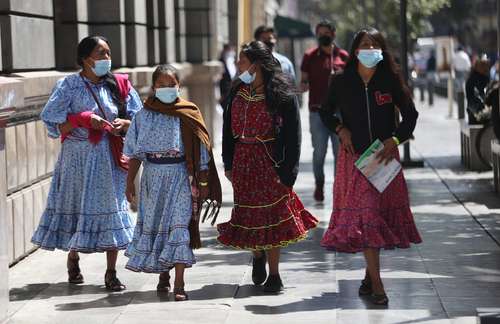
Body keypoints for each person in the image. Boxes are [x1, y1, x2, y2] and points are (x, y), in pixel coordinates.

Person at [31, 35, 143, 291]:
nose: (106, 59)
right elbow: (52, 121)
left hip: (109, 158)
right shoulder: (68, 85)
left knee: (113, 210)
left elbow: (140, 119)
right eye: (100, 53)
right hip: (77, 159)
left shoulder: (119, 85)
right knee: (78, 209)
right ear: (85, 59)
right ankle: (73, 258)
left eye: (108, 53)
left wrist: (125, 124)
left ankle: (111, 272)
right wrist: (81, 119)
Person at [319, 27, 422, 305]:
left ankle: (368, 274)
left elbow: (411, 115)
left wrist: (396, 138)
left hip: (383, 158)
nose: (370, 48)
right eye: (365, 44)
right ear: (354, 51)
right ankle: (377, 284)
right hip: (354, 159)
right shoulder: (341, 81)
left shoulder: (390, 79)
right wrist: (341, 129)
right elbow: (325, 111)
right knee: (366, 215)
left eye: (375, 44)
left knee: (375, 216)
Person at [217, 41, 318, 293]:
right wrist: (228, 163)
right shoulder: (237, 91)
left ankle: (274, 274)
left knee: (273, 217)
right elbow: (227, 132)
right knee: (252, 214)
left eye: (242, 61)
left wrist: (289, 171)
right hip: (243, 164)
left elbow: (293, 135)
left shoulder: (281, 95)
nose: (238, 65)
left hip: (271, 164)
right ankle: (257, 254)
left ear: (257, 64)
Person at [124, 64, 221, 301]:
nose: (167, 89)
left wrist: (205, 182)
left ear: (178, 86)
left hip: (181, 177)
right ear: (153, 87)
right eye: (162, 85)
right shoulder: (142, 116)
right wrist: (129, 183)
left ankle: (179, 284)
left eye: (172, 85)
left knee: (179, 227)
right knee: (159, 227)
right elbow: (135, 154)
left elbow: (202, 148)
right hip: (152, 179)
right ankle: (163, 274)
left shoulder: (189, 112)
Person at [300, 20, 348, 202]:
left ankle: (339, 188)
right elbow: (303, 81)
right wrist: (303, 85)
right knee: (319, 151)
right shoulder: (310, 56)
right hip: (317, 112)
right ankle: (319, 183)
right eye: (319, 34)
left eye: (326, 33)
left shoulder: (343, 56)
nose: (323, 37)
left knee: (340, 153)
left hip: (339, 114)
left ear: (333, 34)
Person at [465, 56, 490, 124]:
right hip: (477, 110)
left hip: (474, 109)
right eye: (484, 66)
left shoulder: (471, 78)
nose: (486, 68)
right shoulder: (480, 78)